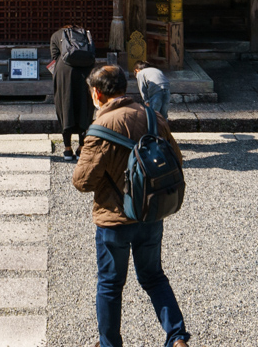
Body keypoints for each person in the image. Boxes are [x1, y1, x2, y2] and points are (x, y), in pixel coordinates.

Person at [72, 65, 193, 347]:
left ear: (97, 93)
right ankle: (177, 338)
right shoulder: (153, 116)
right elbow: (176, 159)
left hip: (113, 219)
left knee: (111, 285)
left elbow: (82, 181)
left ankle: (109, 344)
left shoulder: (100, 129)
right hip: (150, 212)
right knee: (154, 277)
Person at [49, 24, 96, 160]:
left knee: (65, 105)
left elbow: (54, 56)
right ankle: (81, 146)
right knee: (84, 105)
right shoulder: (85, 34)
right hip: (86, 72)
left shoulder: (57, 35)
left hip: (65, 72)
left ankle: (67, 149)